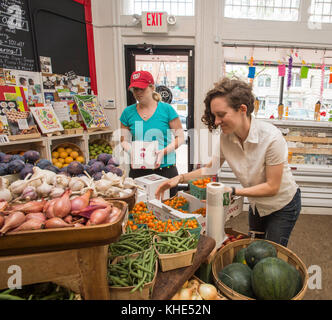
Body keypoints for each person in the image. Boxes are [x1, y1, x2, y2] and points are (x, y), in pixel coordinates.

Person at [155, 77, 301, 247]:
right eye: (214, 116)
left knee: (270, 255)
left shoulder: (271, 138)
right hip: (256, 204)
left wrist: (232, 190)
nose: (216, 122)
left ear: (242, 109)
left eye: (221, 115)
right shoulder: (226, 138)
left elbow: (272, 187)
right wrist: (179, 179)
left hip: (282, 205)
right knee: (254, 246)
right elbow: (210, 169)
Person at [120, 70, 185, 197]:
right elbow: (123, 140)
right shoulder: (127, 113)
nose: (138, 93)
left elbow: (180, 137)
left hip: (165, 169)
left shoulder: (166, 110)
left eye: (141, 89)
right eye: (135, 89)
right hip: (139, 170)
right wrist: (131, 151)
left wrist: (163, 152)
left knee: (168, 209)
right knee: (140, 210)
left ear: (152, 87)